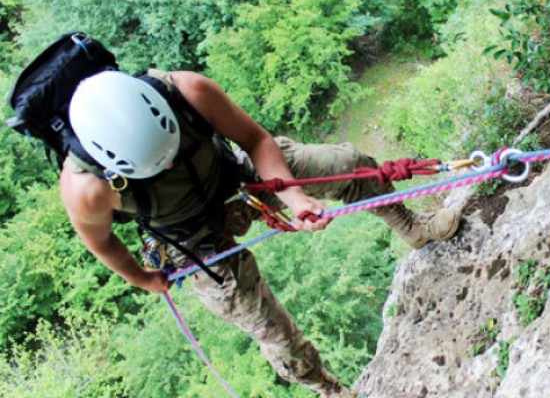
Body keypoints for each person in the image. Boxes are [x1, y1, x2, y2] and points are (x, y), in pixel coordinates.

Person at [60, 68, 461, 398]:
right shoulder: (87, 190)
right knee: (269, 329)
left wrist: (295, 197)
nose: (166, 168)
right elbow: (101, 242)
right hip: (189, 238)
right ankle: (328, 388)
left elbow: (255, 140)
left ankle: (413, 227)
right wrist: (144, 279)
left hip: (238, 177)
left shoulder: (189, 92)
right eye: (154, 167)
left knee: (350, 164)